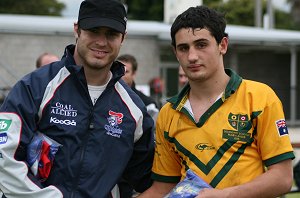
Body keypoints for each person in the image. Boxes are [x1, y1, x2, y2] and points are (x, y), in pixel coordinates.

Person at [0, 0, 154, 197]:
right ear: (77, 30)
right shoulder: (34, 87)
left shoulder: (133, 108)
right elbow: (4, 157)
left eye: (111, 34)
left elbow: (151, 179)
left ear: (122, 38)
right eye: (94, 30)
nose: (101, 41)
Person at [139, 5, 294, 198]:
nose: (192, 56)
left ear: (223, 45)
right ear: (175, 52)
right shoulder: (169, 112)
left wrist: (225, 195)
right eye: (183, 48)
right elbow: (163, 188)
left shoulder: (259, 97)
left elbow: (282, 178)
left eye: (201, 45)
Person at [117, 54, 159, 197]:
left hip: (133, 178)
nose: (122, 75)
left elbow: (153, 140)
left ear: (134, 73)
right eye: (119, 70)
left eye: (126, 71)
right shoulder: (108, 98)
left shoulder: (147, 104)